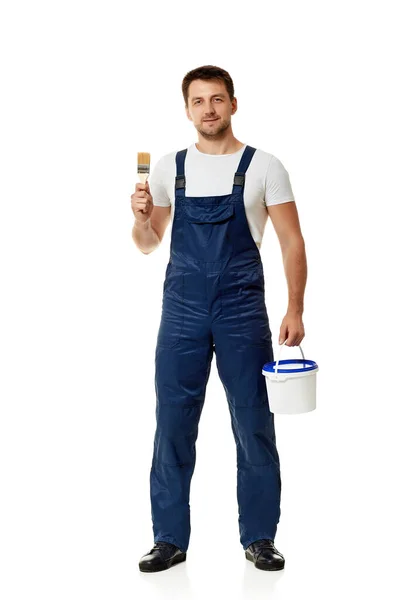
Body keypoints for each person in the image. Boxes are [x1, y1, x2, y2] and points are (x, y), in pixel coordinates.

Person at [131, 65, 307, 573]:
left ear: (233, 103)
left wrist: (295, 307)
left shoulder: (264, 166)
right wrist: (141, 218)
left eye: (217, 99)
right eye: (197, 101)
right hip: (182, 311)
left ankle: (259, 538)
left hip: (241, 309)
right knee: (172, 424)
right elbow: (147, 245)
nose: (208, 109)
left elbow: (293, 241)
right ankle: (168, 539)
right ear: (187, 109)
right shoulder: (169, 168)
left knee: (253, 423)